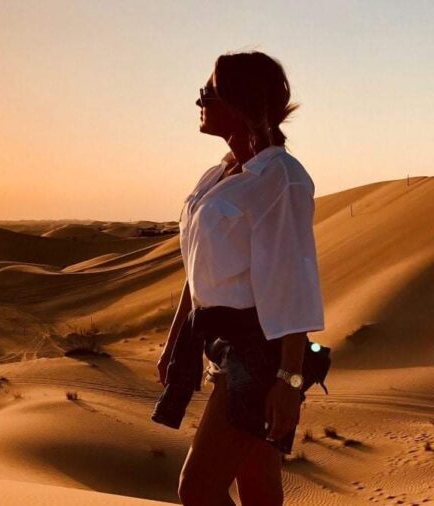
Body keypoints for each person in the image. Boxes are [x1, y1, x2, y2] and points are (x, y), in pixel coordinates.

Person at [155, 51, 325, 506]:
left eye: (209, 91)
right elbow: (199, 268)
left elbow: (290, 283)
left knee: (198, 490)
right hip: (220, 346)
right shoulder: (218, 176)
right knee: (257, 487)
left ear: (240, 99)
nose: (200, 100)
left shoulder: (280, 179)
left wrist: (288, 382)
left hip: (260, 354)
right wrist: (176, 345)